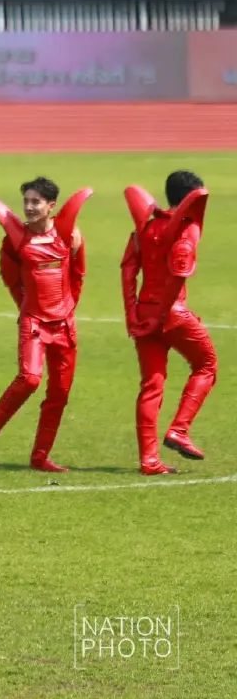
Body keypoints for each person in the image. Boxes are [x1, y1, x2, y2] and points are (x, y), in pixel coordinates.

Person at [0, 179, 92, 472]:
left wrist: (68, 307)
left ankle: (40, 457)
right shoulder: (14, 240)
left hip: (64, 325)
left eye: (36, 202)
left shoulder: (69, 236)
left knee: (60, 392)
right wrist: (27, 307)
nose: (29, 207)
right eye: (26, 201)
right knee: (30, 379)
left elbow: (78, 274)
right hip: (34, 323)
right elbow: (10, 277)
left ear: (51, 206)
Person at [121, 171, 216, 475]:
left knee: (151, 387)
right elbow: (178, 274)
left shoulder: (143, 228)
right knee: (207, 365)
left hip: (145, 311)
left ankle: (149, 461)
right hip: (172, 314)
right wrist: (164, 317)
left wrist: (132, 316)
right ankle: (179, 430)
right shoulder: (187, 228)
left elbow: (127, 270)